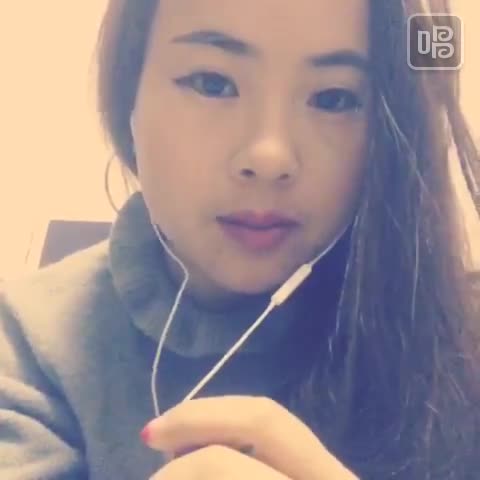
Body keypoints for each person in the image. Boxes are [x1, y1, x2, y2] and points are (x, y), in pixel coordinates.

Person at [1, 0, 479, 478]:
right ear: (129, 97)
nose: (269, 157)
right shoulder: (28, 349)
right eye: (213, 83)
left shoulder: (458, 346)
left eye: (333, 98)